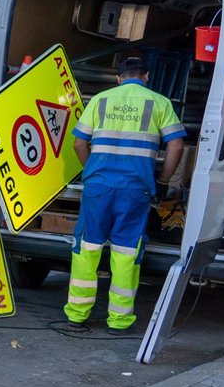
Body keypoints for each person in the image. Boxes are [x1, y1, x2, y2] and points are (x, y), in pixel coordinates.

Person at [65, 56, 186, 334]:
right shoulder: (160, 103)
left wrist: (92, 171)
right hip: (135, 189)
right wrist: (163, 180)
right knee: (126, 251)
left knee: (87, 248)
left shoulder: (100, 100)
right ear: (146, 76)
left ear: (118, 78)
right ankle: (119, 322)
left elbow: (79, 143)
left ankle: (76, 316)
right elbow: (177, 145)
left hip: (98, 188)